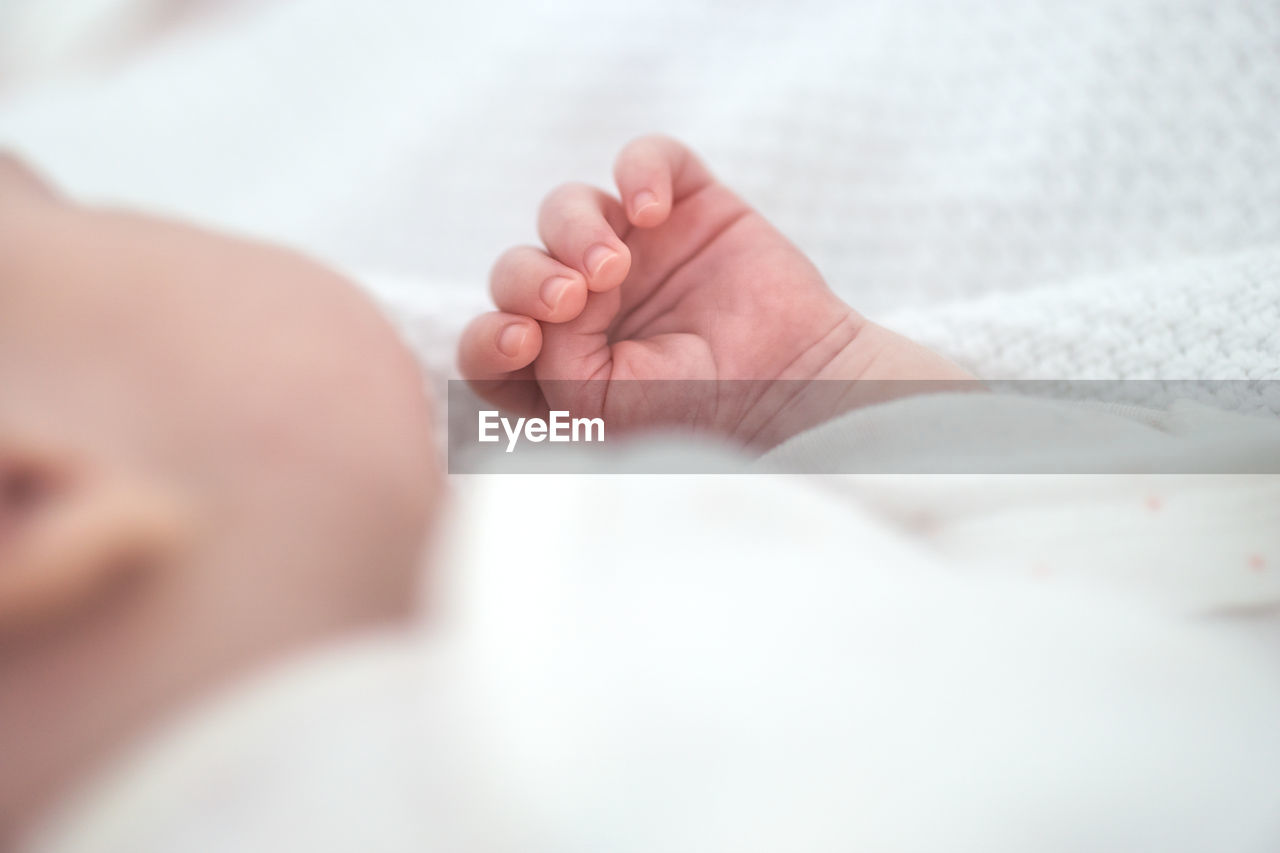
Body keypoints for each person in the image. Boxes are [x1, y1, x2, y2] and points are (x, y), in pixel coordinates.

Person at [3, 140, 1279, 853]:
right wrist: (835, 411)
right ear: (30, 501)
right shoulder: (609, 591)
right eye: (76, 204)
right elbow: (1216, 594)